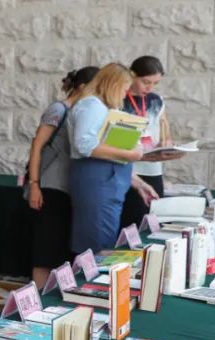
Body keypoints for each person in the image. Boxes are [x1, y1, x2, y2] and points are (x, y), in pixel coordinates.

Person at [68, 63, 158, 254]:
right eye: (125, 89)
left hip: (108, 182)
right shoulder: (92, 105)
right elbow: (84, 144)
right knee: (97, 244)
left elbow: (107, 148)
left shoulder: (100, 106)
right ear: (113, 85)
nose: (125, 95)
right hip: (98, 182)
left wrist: (139, 183)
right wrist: (131, 154)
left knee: (104, 239)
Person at [26, 66, 99, 288]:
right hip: (51, 186)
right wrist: (35, 185)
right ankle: (40, 298)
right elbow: (37, 146)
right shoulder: (59, 109)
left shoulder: (83, 112)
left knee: (60, 251)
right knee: (47, 250)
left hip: (70, 187)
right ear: (82, 87)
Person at [119, 56, 183, 229]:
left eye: (155, 83)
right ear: (132, 75)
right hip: (129, 169)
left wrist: (167, 144)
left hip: (153, 170)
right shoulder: (118, 100)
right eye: (146, 82)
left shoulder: (156, 100)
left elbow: (163, 130)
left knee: (151, 221)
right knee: (129, 222)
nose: (150, 88)